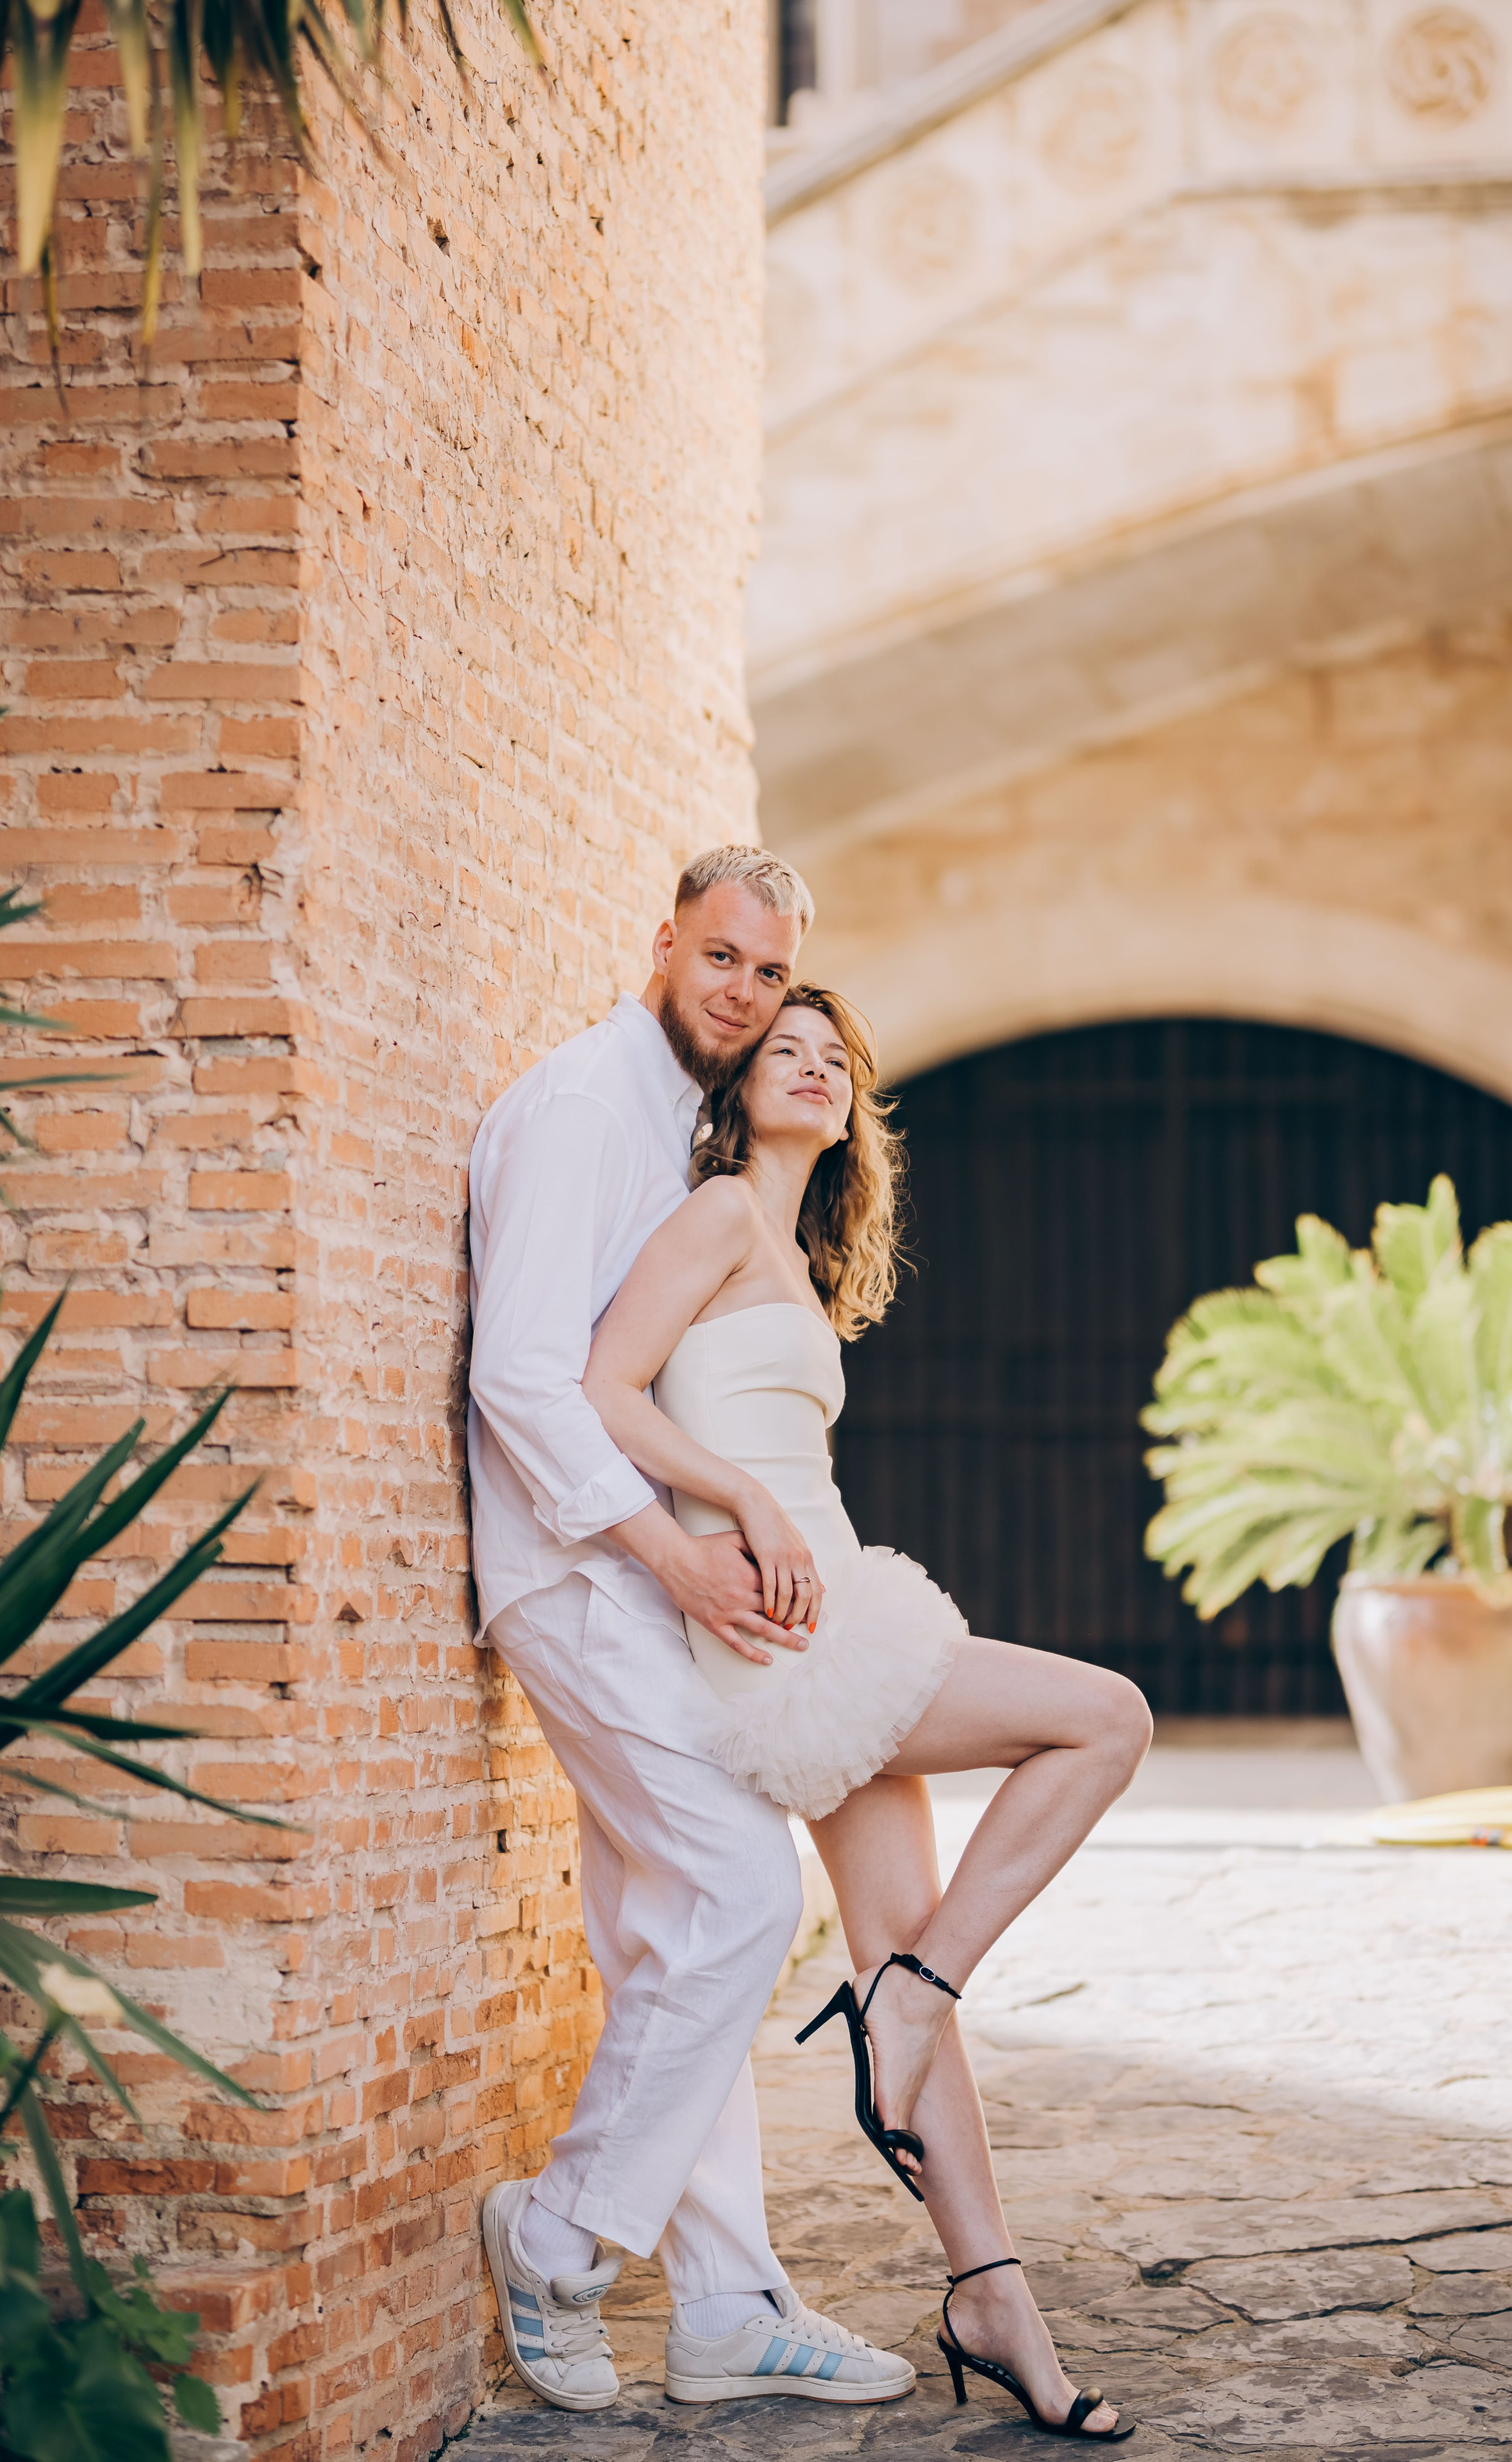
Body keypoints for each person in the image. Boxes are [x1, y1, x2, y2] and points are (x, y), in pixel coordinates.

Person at [582, 983, 1154, 2440]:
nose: (815, 1070)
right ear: (735, 1086)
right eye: (785, 1050)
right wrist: (741, 1499)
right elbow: (599, 1390)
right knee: (1107, 1719)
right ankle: (907, 1996)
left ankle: (991, 2298)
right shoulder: (715, 1214)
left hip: (836, 1599)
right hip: (796, 1626)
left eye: (835, 1060)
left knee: (909, 1959)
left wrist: (768, 1495)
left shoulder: (789, 1248)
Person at [467, 848, 915, 2414]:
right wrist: (674, 1552)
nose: (743, 992)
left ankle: (725, 2305)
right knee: (735, 1890)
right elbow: (526, 1375)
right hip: (573, 1570)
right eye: (720, 959)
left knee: (677, 1940)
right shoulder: (591, 1111)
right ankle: (562, 2233)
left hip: (627, 1566)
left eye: (770, 974)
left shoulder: (690, 1123)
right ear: (663, 944)